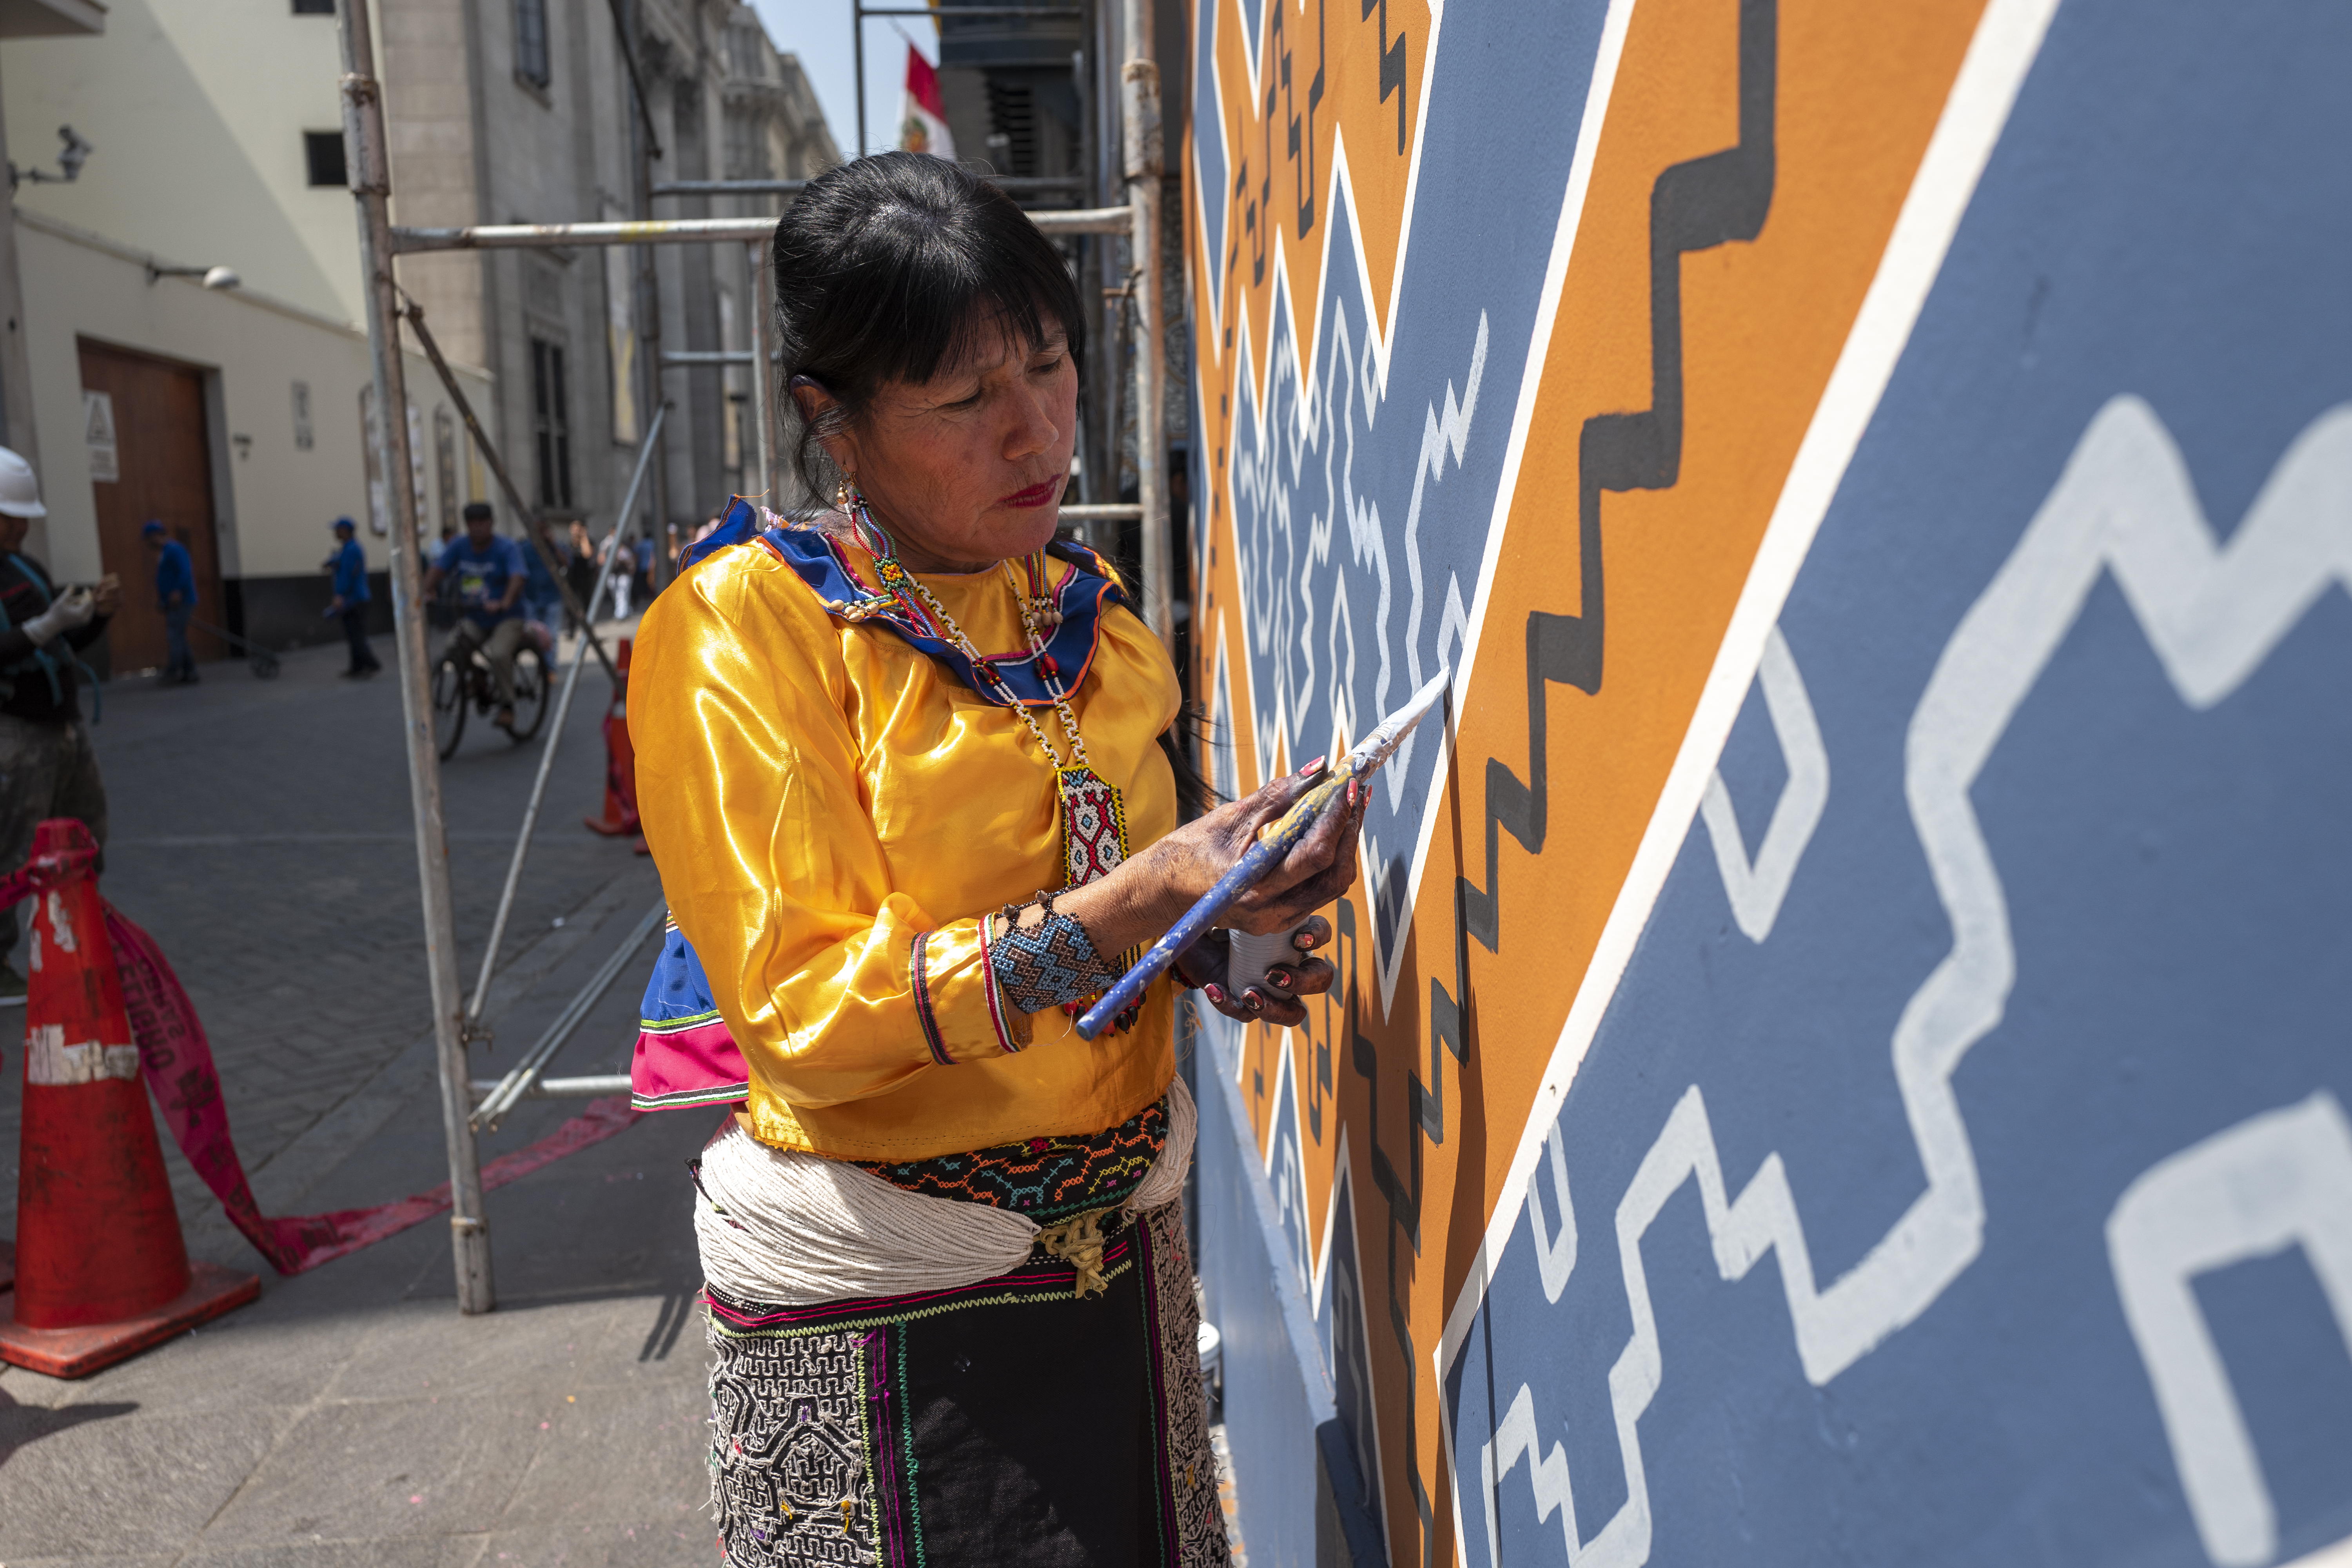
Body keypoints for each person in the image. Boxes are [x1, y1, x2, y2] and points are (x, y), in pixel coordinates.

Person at [632, 153, 1363, 1564]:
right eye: (966, 399)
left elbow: (1123, 887)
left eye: (1049, 365)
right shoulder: (747, 630)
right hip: (892, 1306)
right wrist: (1127, 906)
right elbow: (804, 1010)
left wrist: (1220, 916)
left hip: (1122, 1265)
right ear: (830, 420)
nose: (1035, 432)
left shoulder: (1084, 611)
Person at [0, 447, 119, 997]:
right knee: (12, 847)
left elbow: (64, 642)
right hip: (16, 731)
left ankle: (81, 931)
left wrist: (94, 614)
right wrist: (46, 625)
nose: (20, 527)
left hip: (63, 724)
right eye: (10, 517)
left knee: (87, 828)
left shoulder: (26, 568)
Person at [423, 501, 528, 731]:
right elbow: (439, 568)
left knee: (500, 654)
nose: (477, 528)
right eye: (472, 523)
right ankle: (478, 676)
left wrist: (504, 602)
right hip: (476, 616)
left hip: (507, 616)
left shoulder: (506, 547)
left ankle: (508, 705)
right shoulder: (460, 546)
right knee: (453, 647)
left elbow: (517, 577)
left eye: (482, 522)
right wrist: (427, 590)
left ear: (491, 523)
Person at [323, 517, 380, 678]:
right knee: (353, 634)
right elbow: (339, 561)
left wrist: (339, 595)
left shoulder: (351, 549)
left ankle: (371, 664)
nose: (335, 533)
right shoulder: (348, 548)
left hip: (355, 599)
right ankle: (357, 667)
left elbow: (348, 574)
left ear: (345, 531)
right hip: (355, 598)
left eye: (337, 530)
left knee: (356, 635)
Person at [143, 519, 198, 684]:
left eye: (148, 538)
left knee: (175, 635)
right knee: (179, 635)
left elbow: (185, 571)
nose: (147, 543)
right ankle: (190, 672)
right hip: (174, 601)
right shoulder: (166, 551)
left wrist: (177, 591)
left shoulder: (174, 549)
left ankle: (173, 672)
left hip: (182, 601)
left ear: (155, 536)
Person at [519, 517, 564, 651]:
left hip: (553, 598)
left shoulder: (556, 547)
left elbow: (566, 563)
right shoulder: (524, 548)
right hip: (531, 598)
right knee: (534, 637)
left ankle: (550, 670)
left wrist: (553, 544)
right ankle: (542, 667)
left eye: (542, 531)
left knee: (552, 636)